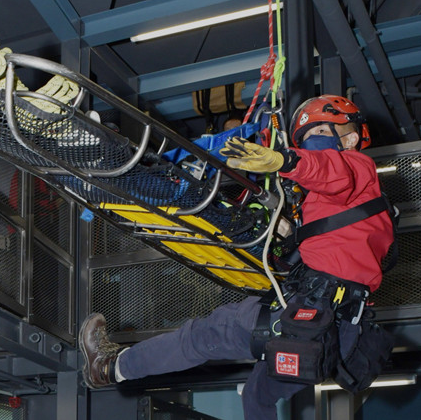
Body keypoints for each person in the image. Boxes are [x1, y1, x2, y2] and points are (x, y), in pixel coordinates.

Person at [78, 95, 396, 419]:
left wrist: (286, 162)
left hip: (314, 312)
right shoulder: (363, 209)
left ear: (351, 138)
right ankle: (110, 368)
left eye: (316, 135)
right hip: (337, 334)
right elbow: (341, 249)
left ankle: (108, 367)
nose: (310, 144)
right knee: (257, 398)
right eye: (304, 140)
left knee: (203, 336)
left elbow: (332, 170)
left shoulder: (358, 167)